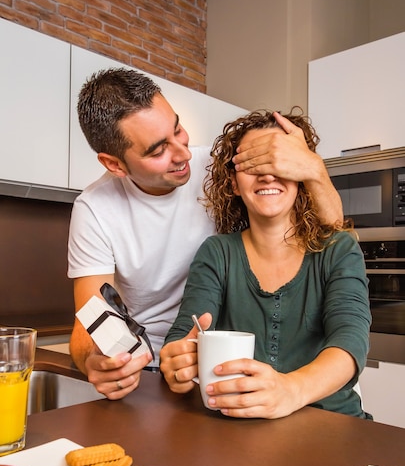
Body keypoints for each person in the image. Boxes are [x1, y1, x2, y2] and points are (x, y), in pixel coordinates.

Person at [68, 68, 343, 400]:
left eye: (177, 129)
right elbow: (92, 318)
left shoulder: (216, 169)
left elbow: (330, 234)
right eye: (158, 151)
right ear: (115, 165)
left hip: (222, 358)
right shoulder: (95, 210)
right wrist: (96, 361)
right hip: (150, 367)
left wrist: (312, 167)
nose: (183, 153)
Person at [160, 108, 372, 419]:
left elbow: (350, 341)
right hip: (238, 429)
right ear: (233, 184)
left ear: (300, 175)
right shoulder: (217, 253)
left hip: (334, 425)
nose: (267, 174)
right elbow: (184, 333)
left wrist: (291, 389)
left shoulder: (338, 249)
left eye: (278, 162)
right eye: (251, 164)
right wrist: (176, 362)